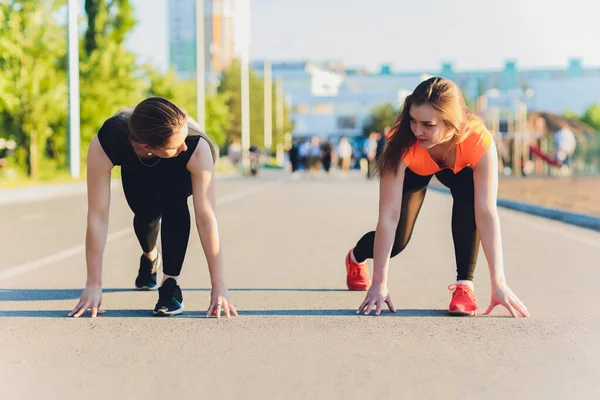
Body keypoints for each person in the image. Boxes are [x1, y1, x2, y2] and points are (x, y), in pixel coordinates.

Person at [344, 77, 529, 318]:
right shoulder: (403, 142)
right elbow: (389, 216)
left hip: (457, 169)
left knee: (470, 198)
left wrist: (499, 282)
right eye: (413, 120)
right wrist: (379, 282)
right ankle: (356, 256)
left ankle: (465, 287)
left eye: (428, 124)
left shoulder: (478, 142)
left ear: (451, 123)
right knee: (397, 241)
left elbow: (486, 213)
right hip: (415, 169)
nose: (417, 130)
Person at [69, 97, 238, 318]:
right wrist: (93, 284)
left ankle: (170, 285)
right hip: (137, 170)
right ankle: (150, 256)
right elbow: (97, 217)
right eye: (177, 145)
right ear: (148, 147)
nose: (183, 146)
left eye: (184, 138)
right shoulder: (108, 140)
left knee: (174, 202)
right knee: (145, 215)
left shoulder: (194, 147)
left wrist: (219, 287)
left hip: (179, 172)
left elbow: (206, 219)